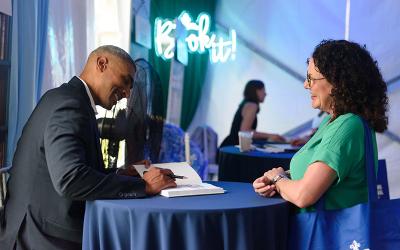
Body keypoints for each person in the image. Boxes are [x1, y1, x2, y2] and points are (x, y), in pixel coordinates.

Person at [0, 45, 177, 250]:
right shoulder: (71, 105)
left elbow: (72, 169)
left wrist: (121, 174)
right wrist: (143, 186)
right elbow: (70, 179)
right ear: (101, 64)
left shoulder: (69, 98)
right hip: (40, 237)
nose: (128, 94)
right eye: (125, 81)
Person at [253, 40, 388, 212]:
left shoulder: (346, 126)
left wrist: (278, 179)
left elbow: (304, 196)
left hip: (328, 236)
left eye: (311, 78)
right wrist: (278, 178)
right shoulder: (334, 121)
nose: (306, 84)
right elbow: (319, 174)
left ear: (337, 82)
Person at [219, 80, 285, 148]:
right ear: (256, 91)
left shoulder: (246, 103)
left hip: (230, 146)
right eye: (263, 90)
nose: (265, 94)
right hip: (235, 149)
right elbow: (245, 132)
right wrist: (270, 135)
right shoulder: (252, 105)